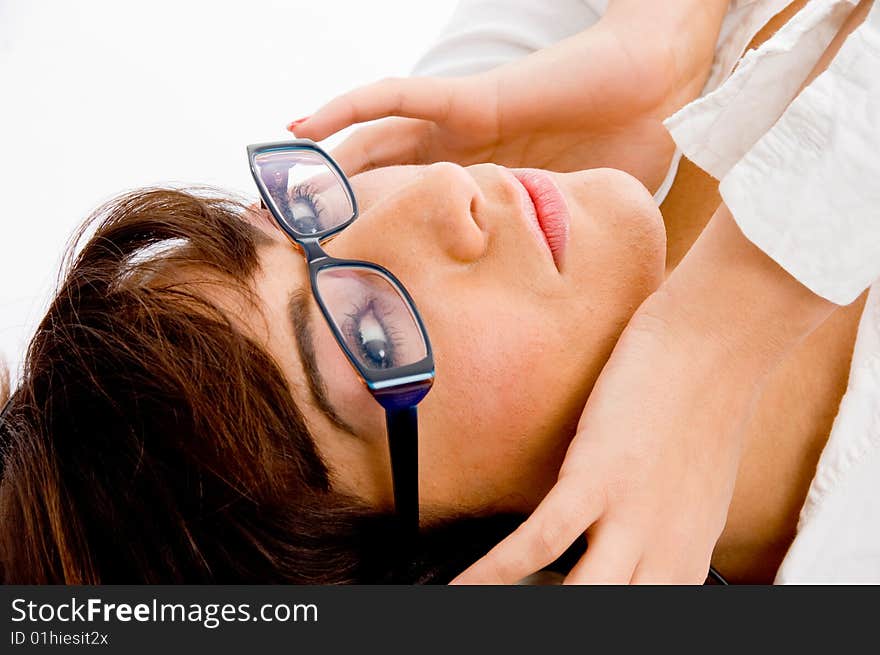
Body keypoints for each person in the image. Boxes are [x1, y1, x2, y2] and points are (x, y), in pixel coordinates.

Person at [1, 0, 876, 584]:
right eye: (371, 333)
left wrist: (665, 37)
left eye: (293, 221)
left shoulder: (485, 103)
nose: (436, 195)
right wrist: (720, 332)